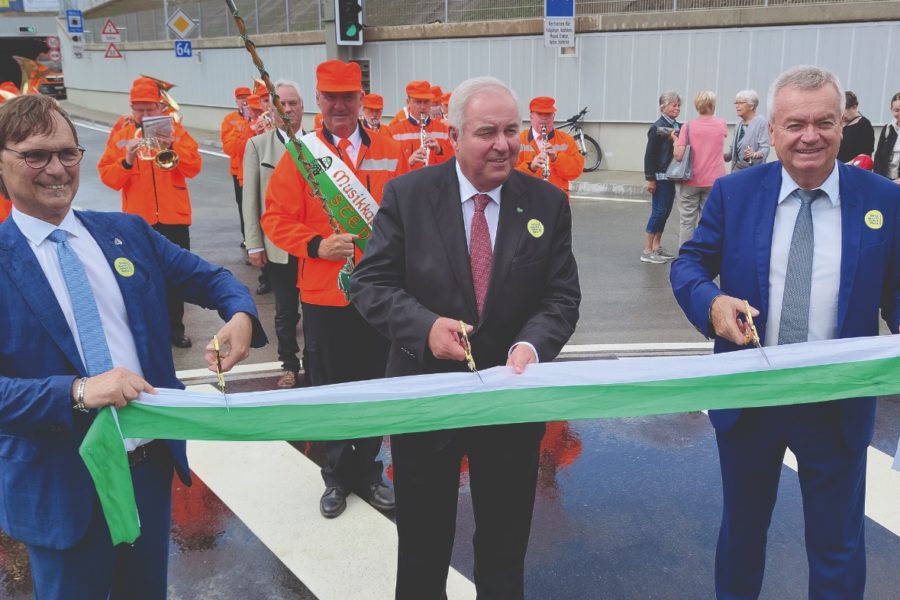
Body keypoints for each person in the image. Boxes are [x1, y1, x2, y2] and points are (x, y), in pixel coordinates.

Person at [0, 94, 266, 600]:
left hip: (145, 465)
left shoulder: (126, 233)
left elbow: (211, 278)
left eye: (67, 153)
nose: (56, 169)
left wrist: (239, 314)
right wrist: (78, 391)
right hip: (61, 483)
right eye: (36, 155)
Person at [670, 65, 900, 599]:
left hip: (835, 399)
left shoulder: (883, 201)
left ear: (843, 125)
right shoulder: (734, 193)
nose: (810, 136)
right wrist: (713, 304)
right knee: (742, 539)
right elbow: (688, 266)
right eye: (795, 124)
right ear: (770, 131)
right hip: (751, 394)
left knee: (838, 545)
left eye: (824, 122)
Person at [351, 76, 581, 599]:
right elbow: (371, 282)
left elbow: (561, 297)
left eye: (511, 130)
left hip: (509, 399)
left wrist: (531, 347)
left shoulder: (546, 202)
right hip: (426, 397)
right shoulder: (408, 195)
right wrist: (425, 328)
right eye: (486, 132)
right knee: (422, 546)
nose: (503, 144)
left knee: (504, 547)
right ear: (453, 134)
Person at [261, 59, 405, 519]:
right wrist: (316, 244)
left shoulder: (388, 148)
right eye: (331, 96)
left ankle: (368, 470)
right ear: (319, 100)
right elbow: (275, 218)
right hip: (324, 293)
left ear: (362, 99)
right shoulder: (301, 155)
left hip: (379, 292)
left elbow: (405, 215)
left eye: (348, 96)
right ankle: (336, 476)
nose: (340, 105)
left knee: (374, 386)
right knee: (330, 386)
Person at [97, 76, 203, 349]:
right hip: (137, 220)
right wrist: (128, 159)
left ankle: (174, 329)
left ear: (160, 106)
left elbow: (194, 167)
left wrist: (171, 146)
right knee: (141, 278)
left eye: (149, 108)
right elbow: (109, 177)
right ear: (131, 108)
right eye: (139, 109)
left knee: (175, 276)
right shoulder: (121, 134)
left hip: (174, 217)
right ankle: (148, 331)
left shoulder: (176, 131)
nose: (144, 115)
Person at [242, 80, 306, 389]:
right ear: (271, 108)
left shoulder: (317, 143)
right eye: (281, 103)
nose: (288, 109)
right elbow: (250, 199)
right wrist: (254, 243)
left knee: (318, 312)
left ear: (303, 108)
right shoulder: (257, 146)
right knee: (286, 312)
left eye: (293, 103)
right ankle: (290, 365)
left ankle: (318, 362)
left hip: (315, 246)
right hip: (279, 245)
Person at [673, 90, 727, 247]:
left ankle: (686, 257)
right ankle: (706, 255)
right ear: (713, 105)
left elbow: (678, 156)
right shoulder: (721, 124)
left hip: (690, 179)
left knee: (687, 221)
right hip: (714, 180)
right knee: (708, 221)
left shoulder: (688, 127)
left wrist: (675, 140)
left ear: (697, 106)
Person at [515, 96, 584, 201]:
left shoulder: (566, 140)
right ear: (531, 117)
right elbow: (509, 177)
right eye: (539, 114)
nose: (544, 118)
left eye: (548, 114)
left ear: (553, 116)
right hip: (527, 201)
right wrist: (530, 167)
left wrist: (556, 158)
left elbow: (576, 171)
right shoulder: (518, 140)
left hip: (557, 202)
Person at [641, 91, 681, 264]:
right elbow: (649, 155)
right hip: (659, 176)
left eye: (679, 105)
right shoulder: (657, 128)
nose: (677, 108)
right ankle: (647, 250)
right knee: (658, 212)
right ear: (663, 107)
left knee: (665, 212)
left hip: (672, 175)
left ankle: (657, 246)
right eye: (674, 105)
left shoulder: (678, 126)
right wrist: (650, 178)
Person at [387, 80, 454, 170]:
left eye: (426, 102)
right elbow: (389, 170)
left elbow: (452, 165)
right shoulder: (393, 132)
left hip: (434, 182)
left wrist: (439, 151)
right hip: (408, 183)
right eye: (418, 102)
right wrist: (408, 162)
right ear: (408, 102)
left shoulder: (444, 130)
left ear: (431, 102)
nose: (422, 107)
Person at [220, 86, 252, 241]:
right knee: (243, 205)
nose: (244, 100)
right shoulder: (229, 119)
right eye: (241, 98)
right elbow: (228, 147)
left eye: (247, 97)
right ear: (236, 101)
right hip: (238, 169)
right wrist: (243, 128)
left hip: (256, 167)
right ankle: (247, 237)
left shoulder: (258, 116)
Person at [724, 89, 769, 172]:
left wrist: (754, 154)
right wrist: (720, 156)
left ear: (751, 106)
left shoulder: (761, 122)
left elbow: (765, 148)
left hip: (753, 172)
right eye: (736, 103)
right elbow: (732, 152)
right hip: (736, 171)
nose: (737, 106)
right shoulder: (738, 125)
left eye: (740, 103)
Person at [837, 91, 874, 162]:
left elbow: (865, 156)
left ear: (854, 107)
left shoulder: (864, 124)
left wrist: (848, 164)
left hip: (853, 168)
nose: (841, 115)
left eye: (844, 111)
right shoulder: (841, 123)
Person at [873, 91, 900, 183]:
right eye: (897, 110)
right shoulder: (888, 128)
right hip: (885, 180)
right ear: (891, 109)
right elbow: (878, 156)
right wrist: (878, 179)